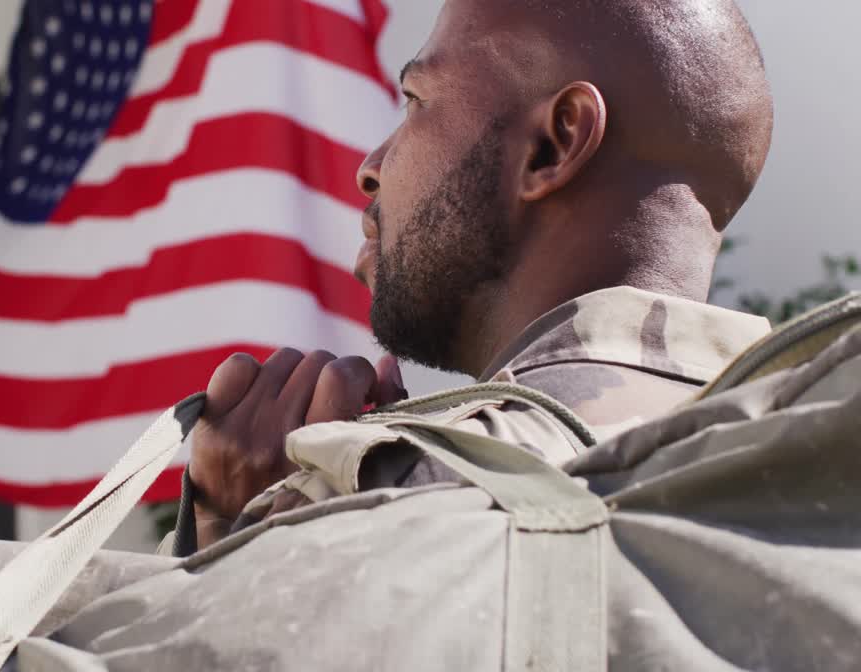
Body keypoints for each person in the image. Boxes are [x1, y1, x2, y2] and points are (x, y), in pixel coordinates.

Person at [170, 0, 777, 554]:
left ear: (552, 145)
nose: (371, 168)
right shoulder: (801, 451)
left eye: (415, 100)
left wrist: (247, 528)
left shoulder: (409, 504)